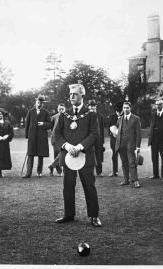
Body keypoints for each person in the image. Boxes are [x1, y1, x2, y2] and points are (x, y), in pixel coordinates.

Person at [53, 84, 102, 227]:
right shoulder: (64, 114)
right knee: (68, 186)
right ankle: (69, 214)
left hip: (85, 156)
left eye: (75, 94)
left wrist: (79, 147)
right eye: (70, 94)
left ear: (82, 96)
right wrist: (68, 146)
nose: (71, 96)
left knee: (89, 186)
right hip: (68, 156)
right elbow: (57, 134)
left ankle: (94, 216)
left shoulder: (91, 115)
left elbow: (95, 134)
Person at [22, 94, 52, 178]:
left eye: (41, 103)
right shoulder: (30, 112)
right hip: (32, 136)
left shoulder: (46, 112)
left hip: (42, 137)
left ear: (43, 104)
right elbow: (27, 124)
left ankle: (39, 172)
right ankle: (28, 173)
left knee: (40, 154)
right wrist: (27, 136)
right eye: (38, 102)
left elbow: (50, 124)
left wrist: (43, 124)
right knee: (30, 154)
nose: (39, 104)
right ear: (36, 102)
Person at [115, 102, 141, 188]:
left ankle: (135, 180)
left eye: (127, 108)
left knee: (132, 163)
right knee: (124, 163)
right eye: (124, 108)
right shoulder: (120, 118)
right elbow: (116, 129)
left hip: (131, 145)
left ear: (130, 108)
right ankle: (126, 180)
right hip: (121, 144)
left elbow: (138, 134)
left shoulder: (136, 119)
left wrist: (137, 146)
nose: (125, 109)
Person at [148, 100, 163, 180]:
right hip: (154, 140)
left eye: (160, 104)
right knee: (154, 157)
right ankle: (155, 175)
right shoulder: (153, 114)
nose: (158, 106)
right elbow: (151, 126)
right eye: (157, 104)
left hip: (162, 140)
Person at [88, 99, 106, 177]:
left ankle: (99, 172)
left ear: (96, 106)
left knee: (99, 156)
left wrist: (102, 142)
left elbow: (101, 130)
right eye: (90, 106)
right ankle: (89, 172)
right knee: (89, 156)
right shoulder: (85, 115)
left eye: (93, 105)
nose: (92, 107)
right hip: (89, 140)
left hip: (98, 140)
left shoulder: (100, 116)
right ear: (88, 107)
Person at [48, 103, 65, 176]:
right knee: (56, 154)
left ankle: (52, 166)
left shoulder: (67, 117)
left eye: (62, 109)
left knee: (63, 153)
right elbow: (52, 128)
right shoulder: (54, 117)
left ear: (65, 109)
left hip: (64, 139)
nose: (61, 110)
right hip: (55, 139)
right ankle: (59, 171)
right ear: (57, 109)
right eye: (59, 109)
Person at [108, 102, 123, 177]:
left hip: (122, 139)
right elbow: (109, 126)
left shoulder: (124, 116)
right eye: (117, 111)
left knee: (123, 156)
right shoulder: (113, 116)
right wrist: (112, 134)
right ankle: (115, 171)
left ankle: (126, 172)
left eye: (119, 111)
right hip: (114, 139)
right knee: (114, 156)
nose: (118, 113)